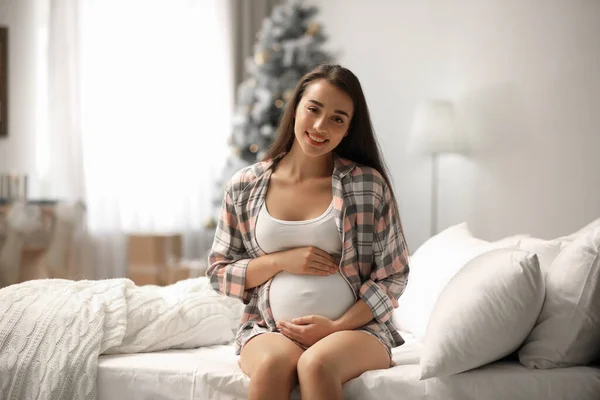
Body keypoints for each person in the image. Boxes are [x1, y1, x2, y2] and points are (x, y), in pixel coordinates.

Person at [207, 64, 410, 400]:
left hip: (356, 331)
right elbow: (218, 273)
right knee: (272, 365)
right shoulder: (245, 185)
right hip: (269, 328)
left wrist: (335, 327)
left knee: (316, 365)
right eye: (313, 110)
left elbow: (394, 277)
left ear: (347, 130)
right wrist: (282, 261)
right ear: (296, 109)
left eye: (337, 118)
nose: (320, 126)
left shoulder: (367, 185)